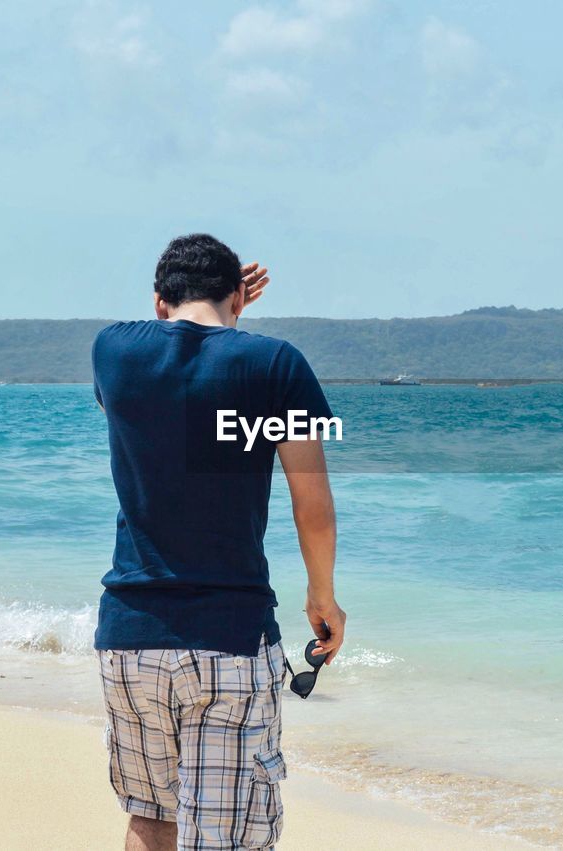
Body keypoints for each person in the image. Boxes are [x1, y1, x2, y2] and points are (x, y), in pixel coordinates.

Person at [91, 233, 345, 850]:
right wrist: (323, 598)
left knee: (151, 817)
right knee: (230, 838)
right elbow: (310, 505)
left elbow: (179, 351)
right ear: (238, 294)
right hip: (229, 636)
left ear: (158, 300)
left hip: (130, 635)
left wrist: (222, 315)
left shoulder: (112, 351)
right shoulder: (277, 363)